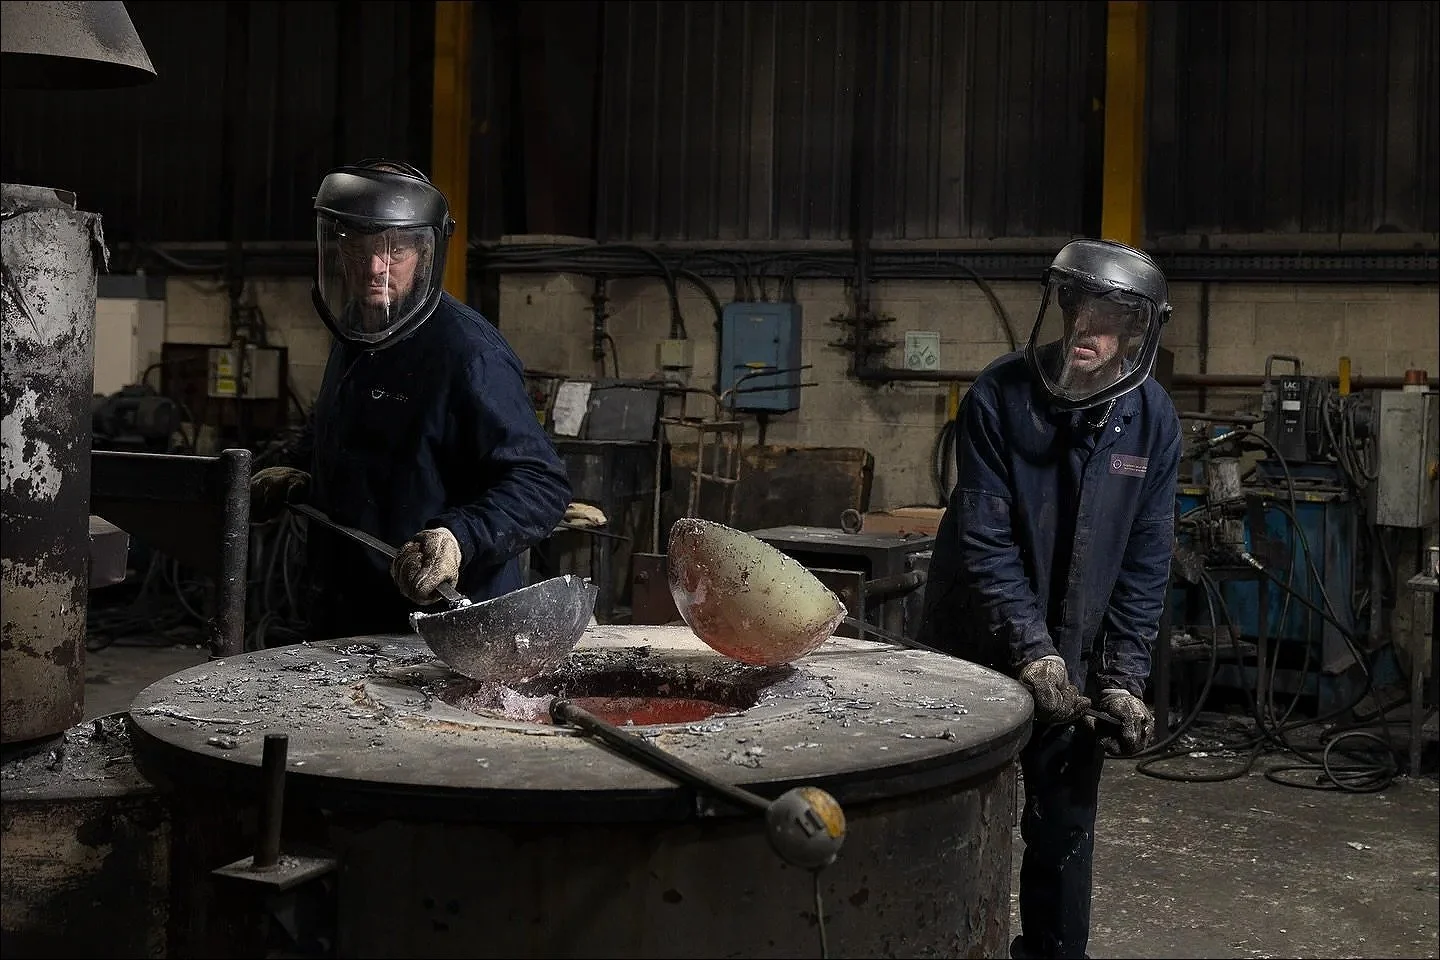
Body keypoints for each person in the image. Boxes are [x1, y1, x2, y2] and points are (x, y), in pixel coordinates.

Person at [915, 238, 1180, 960]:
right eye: (1080, 309)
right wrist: (1030, 652)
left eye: (1111, 319)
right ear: (1061, 307)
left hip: (1077, 657)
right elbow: (986, 539)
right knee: (956, 822)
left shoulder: (1152, 421)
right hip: (976, 646)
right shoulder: (998, 397)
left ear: (1137, 332)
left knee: (1063, 831)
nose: (1088, 331)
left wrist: (1121, 680)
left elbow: (1145, 560)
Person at [249, 158, 572, 640]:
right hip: (348, 618)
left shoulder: (467, 353)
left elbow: (540, 484)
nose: (375, 268)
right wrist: (304, 474)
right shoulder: (355, 334)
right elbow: (357, 438)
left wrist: (459, 538)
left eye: (395, 250)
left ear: (423, 254)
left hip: (442, 632)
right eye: (360, 251)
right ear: (338, 252)